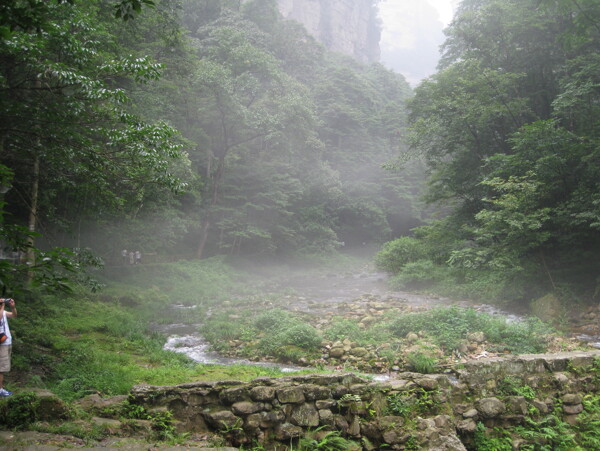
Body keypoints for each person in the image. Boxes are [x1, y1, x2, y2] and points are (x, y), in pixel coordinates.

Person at [0, 298, 16, 397]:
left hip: (7, 342)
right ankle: (0, 390)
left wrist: (13, 307)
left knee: (2, 368)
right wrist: (2, 306)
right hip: (1, 344)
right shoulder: (1, 311)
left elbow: (14, 315)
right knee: (1, 368)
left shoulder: (3, 311)